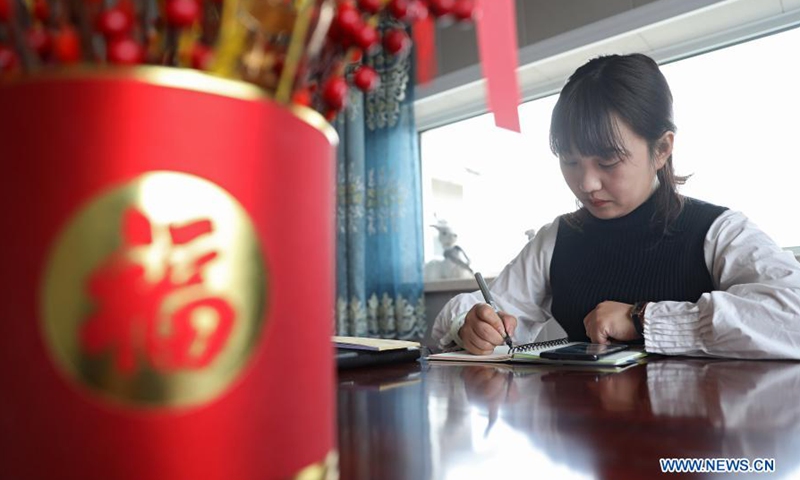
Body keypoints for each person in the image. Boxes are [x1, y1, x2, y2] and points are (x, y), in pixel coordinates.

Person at [431, 53, 800, 359]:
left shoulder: (717, 231)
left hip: (693, 432)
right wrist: (470, 323)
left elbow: (792, 315)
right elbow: (492, 307)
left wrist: (643, 319)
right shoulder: (558, 238)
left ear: (661, 149)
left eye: (608, 161)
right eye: (570, 161)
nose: (587, 183)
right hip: (583, 436)